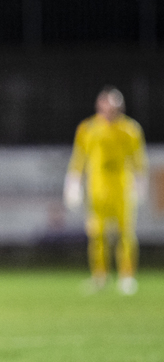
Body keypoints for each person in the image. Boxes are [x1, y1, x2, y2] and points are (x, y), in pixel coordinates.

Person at [64, 86, 147, 295]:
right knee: (97, 234)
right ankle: (100, 275)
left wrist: (140, 183)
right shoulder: (88, 128)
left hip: (122, 188)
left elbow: (138, 159)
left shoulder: (130, 129)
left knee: (125, 234)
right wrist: (73, 183)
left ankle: (127, 276)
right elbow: (79, 158)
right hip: (97, 189)